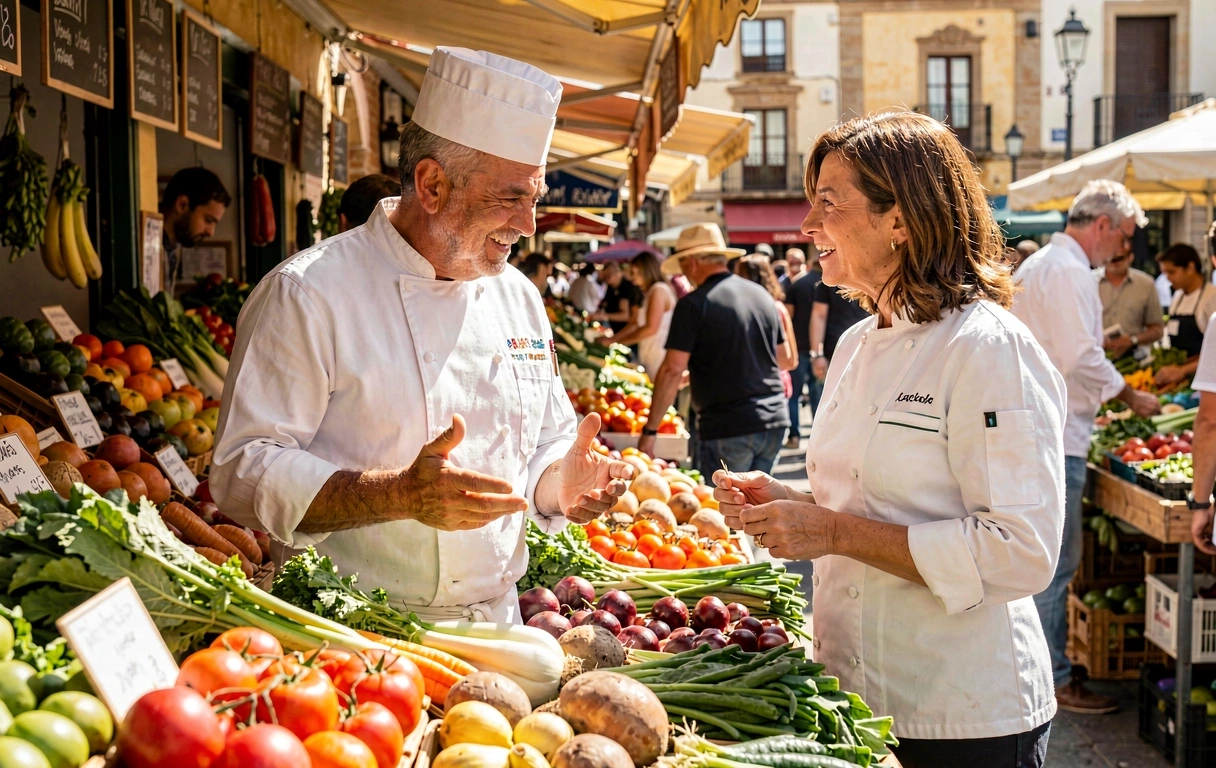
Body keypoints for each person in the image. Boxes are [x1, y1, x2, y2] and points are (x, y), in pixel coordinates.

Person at [211, 46, 631, 623]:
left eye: (533, 200)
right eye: (511, 198)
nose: (528, 225)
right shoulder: (307, 292)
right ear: (432, 185)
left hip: (497, 626)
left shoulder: (519, 297)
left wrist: (565, 484)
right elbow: (242, 470)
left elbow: (541, 448)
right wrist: (397, 495)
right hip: (348, 630)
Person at [714, 111, 1065, 766]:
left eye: (828, 203)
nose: (807, 225)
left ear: (900, 220)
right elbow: (874, 498)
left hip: (963, 715)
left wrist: (832, 532)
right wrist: (791, 502)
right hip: (854, 698)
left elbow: (1021, 551)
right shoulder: (854, 344)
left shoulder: (989, 347)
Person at [1012, 178, 1159, 714]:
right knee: (1057, 563)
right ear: (1102, 225)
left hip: (1036, 427)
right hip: (1058, 434)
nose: (1123, 247)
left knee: (1039, 559)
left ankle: (1032, 670)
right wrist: (1129, 394)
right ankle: (1052, 678)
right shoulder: (1070, 271)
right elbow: (1078, 356)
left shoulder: (1040, 265)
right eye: (1123, 236)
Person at [637, 224, 790, 475]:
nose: (684, 273)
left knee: (720, 500)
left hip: (727, 425)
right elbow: (782, 359)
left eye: (683, 266)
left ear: (692, 263)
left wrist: (650, 430)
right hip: (774, 420)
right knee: (757, 499)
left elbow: (672, 370)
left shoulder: (692, 305)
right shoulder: (761, 295)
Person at [602, 253, 676, 377]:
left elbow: (650, 328)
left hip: (658, 358)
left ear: (645, 270)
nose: (632, 278)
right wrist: (613, 340)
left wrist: (618, 342)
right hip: (649, 356)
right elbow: (635, 323)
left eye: (634, 272)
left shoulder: (659, 290)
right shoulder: (650, 292)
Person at [735, 253, 798, 397]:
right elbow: (790, 361)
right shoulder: (777, 308)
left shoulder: (731, 310)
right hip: (772, 387)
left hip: (745, 388)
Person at [1155, 243, 1216, 386]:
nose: (1168, 278)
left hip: (1204, 380)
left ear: (1190, 267)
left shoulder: (1211, 297)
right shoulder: (1177, 297)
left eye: (1172, 272)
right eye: (1165, 273)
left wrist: (1184, 370)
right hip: (1178, 379)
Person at [809, 276, 870, 414]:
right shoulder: (829, 281)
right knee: (830, 405)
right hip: (835, 353)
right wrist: (817, 354)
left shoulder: (871, 277)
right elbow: (819, 316)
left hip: (867, 349)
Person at [160, 167, 231, 283]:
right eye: (208, 220)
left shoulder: (173, 249)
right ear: (182, 205)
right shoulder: (145, 246)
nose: (211, 233)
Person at [1097, 240, 1164, 358]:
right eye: (1111, 258)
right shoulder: (1088, 281)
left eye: (1120, 258)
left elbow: (1157, 330)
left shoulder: (1146, 284)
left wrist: (1133, 340)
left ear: (1130, 257)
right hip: (1096, 356)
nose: (1115, 262)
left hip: (1134, 358)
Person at [783, 249, 822, 447]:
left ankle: (794, 436)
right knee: (819, 395)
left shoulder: (797, 284)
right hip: (820, 348)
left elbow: (788, 317)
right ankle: (818, 440)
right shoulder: (827, 284)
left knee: (794, 395)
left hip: (798, 346)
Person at [592, 261, 642, 333]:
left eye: (609, 275)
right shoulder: (610, 287)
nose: (606, 279)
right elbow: (604, 303)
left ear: (618, 273)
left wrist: (604, 316)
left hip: (625, 331)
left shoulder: (626, 287)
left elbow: (625, 315)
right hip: (613, 328)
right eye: (605, 276)